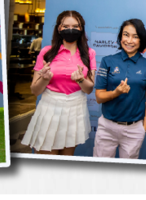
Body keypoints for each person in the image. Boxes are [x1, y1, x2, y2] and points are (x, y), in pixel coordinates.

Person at [20, 10, 96, 155]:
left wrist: (80, 79)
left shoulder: (89, 53)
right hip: (50, 109)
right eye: (66, 26)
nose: (70, 29)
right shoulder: (47, 52)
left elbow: (89, 89)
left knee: (65, 162)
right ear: (59, 28)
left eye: (75, 26)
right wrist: (45, 78)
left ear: (81, 29)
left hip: (76, 110)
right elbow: (35, 91)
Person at [93, 19, 146, 159]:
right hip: (107, 127)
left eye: (135, 36)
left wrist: (144, 125)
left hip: (134, 129)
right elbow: (98, 97)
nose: (129, 40)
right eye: (126, 35)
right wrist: (117, 92)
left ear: (141, 40)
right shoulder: (107, 61)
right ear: (120, 37)